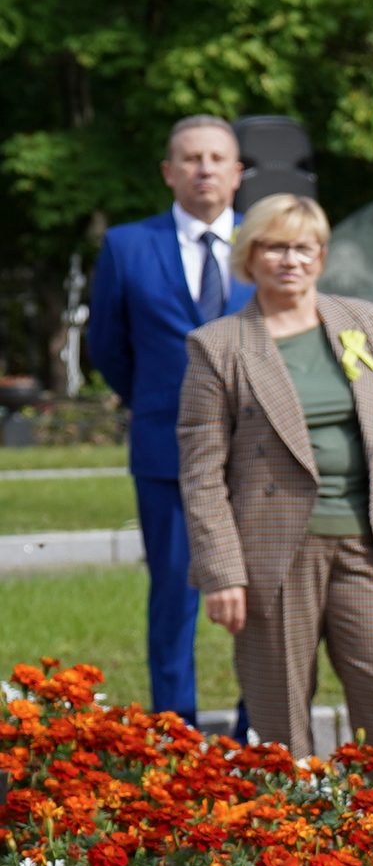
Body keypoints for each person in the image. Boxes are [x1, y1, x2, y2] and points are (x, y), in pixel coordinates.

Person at [174, 196, 373, 769]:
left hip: (370, 545)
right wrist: (222, 572)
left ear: (321, 256)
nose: (290, 260)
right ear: (250, 257)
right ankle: (296, 851)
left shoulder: (364, 322)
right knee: (281, 726)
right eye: (275, 246)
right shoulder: (217, 346)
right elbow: (201, 475)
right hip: (273, 558)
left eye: (304, 247)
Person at [87, 115, 255, 728]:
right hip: (167, 454)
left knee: (260, 600)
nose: (204, 169)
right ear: (168, 171)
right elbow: (107, 347)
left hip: (259, 456)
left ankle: (254, 733)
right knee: (173, 600)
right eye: (190, 158)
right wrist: (168, 409)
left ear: (238, 174)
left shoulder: (267, 247)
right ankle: (173, 740)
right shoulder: (128, 247)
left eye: (217, 158)